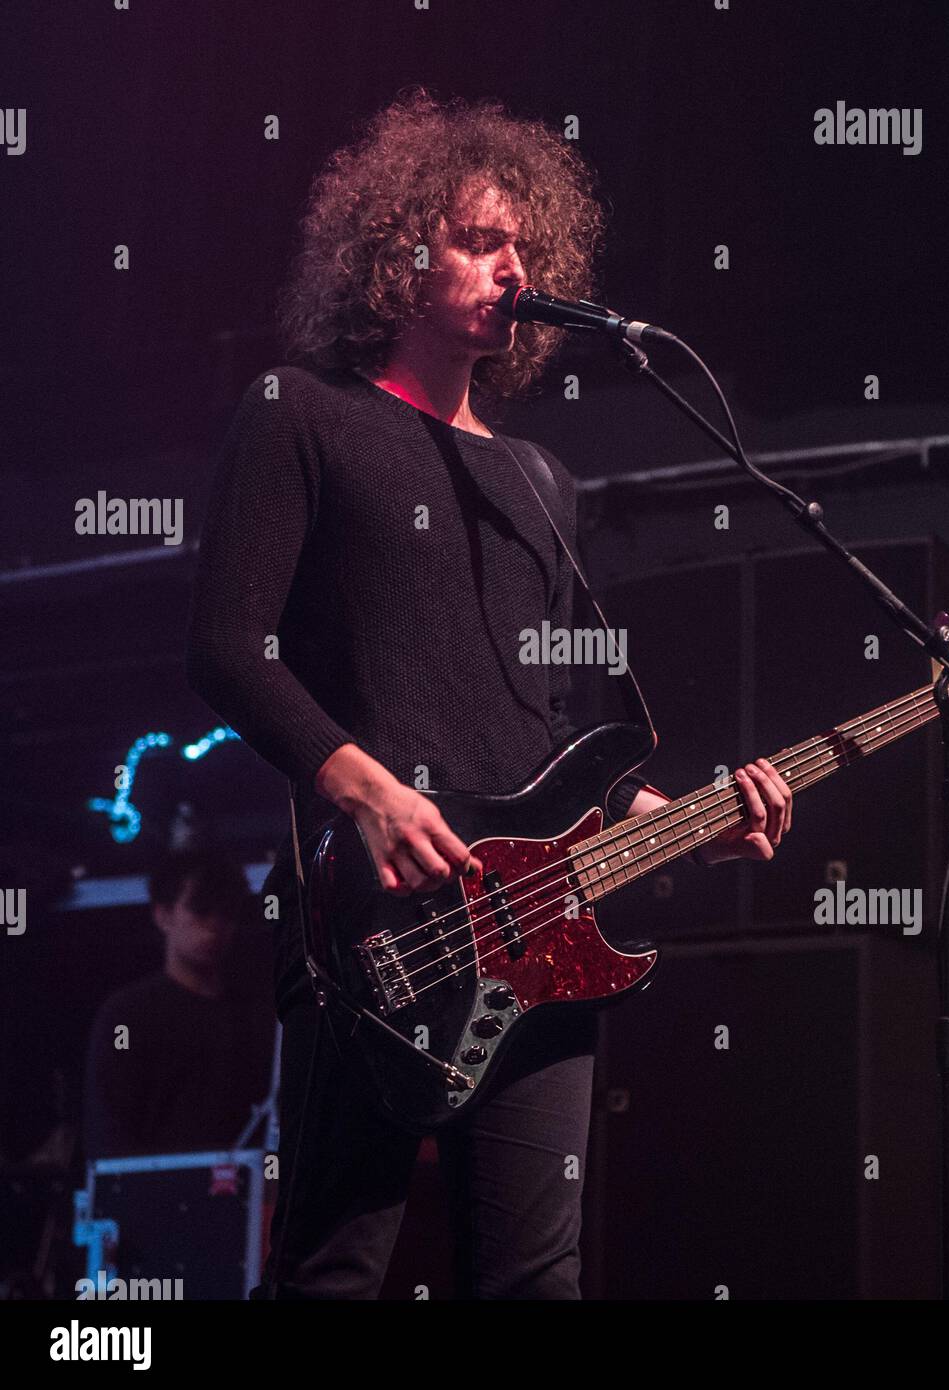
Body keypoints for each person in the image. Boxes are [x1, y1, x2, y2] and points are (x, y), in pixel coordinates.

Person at [185, 87, 792, 1300]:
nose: (510, 266)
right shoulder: (301, 415)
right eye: (476, 238)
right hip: (368, 920)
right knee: (332, 1270)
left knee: (536, 1277)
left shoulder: (540, 479)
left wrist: (674, 821)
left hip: (540, 931)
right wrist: (360, 789)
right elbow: (226, 648)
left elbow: (555, 732)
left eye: (523, 244)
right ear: (397, 253)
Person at [83, 849, 275, 1158]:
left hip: (239, 1190)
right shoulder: (129, 1014)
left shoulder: (255, 1015)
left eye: (225, 913)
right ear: (163, 914)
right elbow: (110, 1128)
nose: (214, 926)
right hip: (152, 1194)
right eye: (200, 911)